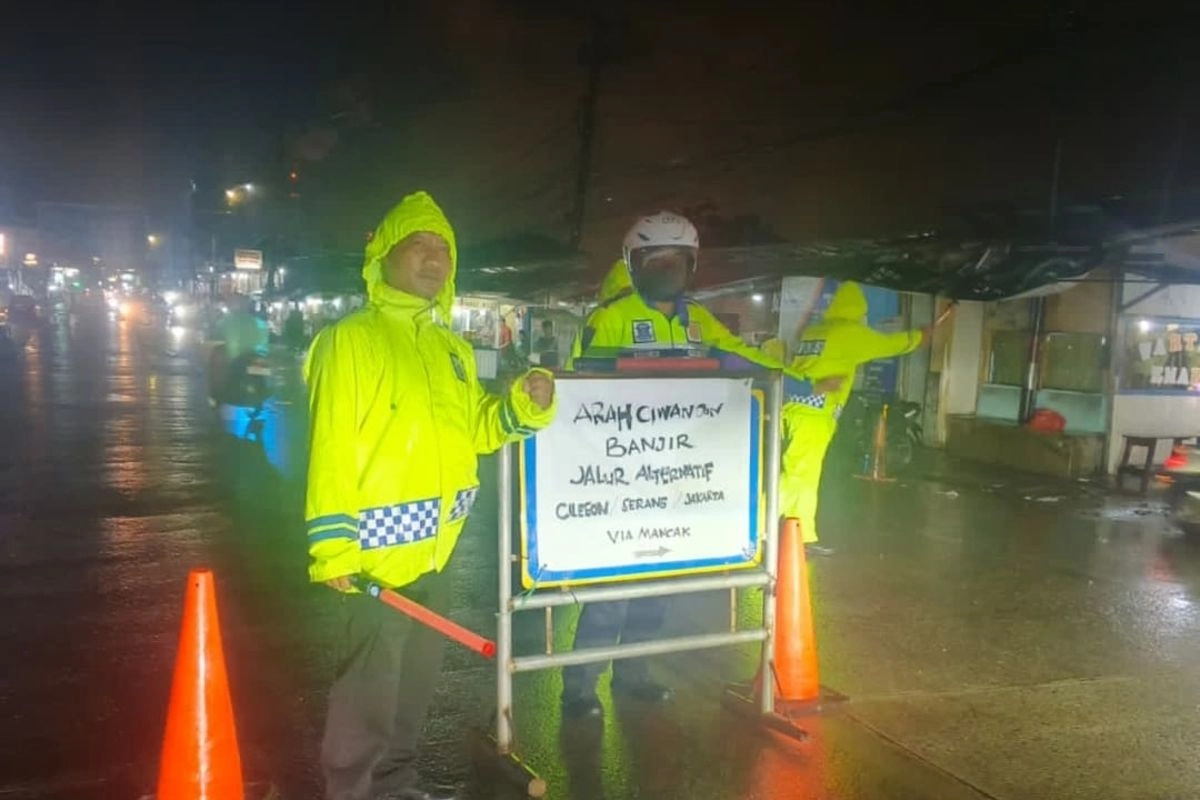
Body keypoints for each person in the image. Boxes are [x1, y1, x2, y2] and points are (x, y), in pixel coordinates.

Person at [304, 191, 557, 800]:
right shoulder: (351, 339)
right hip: (372, 560)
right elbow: (331, 443)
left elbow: (477, 429)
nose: (434, 257)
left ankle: (396, 783)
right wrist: (333, 547)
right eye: (418, 245)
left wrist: (523, 406)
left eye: (444, 248)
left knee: (414, 685)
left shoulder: (453, 350)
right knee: (368, 689)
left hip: (436, 551)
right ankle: (354, 791)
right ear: (383, 258)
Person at [559, 210, 844, 720]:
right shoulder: (612, 317)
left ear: (691, 266)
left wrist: (800, 386)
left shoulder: (696, 319)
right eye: (656, 258)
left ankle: (634, 673)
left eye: (677, 259)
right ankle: (580, 687)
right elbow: (589, 392)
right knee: (610, 593)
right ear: (634, 263)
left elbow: (740, 358)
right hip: (620, 478)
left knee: (658, 584)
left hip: (678, 476)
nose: (667, 268)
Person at [780, 281, 931, 556]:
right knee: (804, 476)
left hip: (793, 407)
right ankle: (802, 538)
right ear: (859, 310)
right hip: (815, 413)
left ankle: (770, 528)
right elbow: (893, 344)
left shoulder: (816, 330)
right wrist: (922, 336)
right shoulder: (850, 332)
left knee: (793, 473)